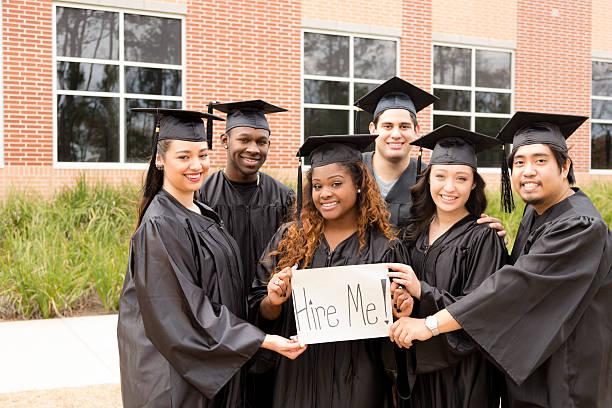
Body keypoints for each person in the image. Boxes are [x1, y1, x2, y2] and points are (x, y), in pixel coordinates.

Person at [389, 112, 612, 407]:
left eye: (540, 160)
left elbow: (514, 288)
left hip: (566, 377)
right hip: (534, 371)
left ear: (564, 166)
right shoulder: (539, 213)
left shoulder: (579, 226)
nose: (527, 171)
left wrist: (429, 324)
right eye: (519, 162)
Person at [117, 108, 306, 408]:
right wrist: (261, 340)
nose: (196, 165)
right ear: (160, 159)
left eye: (202, 155)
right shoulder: (160, 224)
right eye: (184, 156)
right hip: (177, 377)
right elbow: (183, 311)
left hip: (208, 368)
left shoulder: (200, 213)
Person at [248, 134, 411, 408]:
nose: (325, 193)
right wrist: (273, 301)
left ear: (359, 185)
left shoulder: (386, 249)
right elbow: (258, 308)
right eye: (317, 185)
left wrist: (400, 309)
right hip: (297, 377)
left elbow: (400, 328)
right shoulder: (290, 240)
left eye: (336, 184)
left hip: (360, 381)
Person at [386, 124, 507, 407]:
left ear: (474, 183)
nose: (449, 188)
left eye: (461, 178)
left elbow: (481, 308)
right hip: (417, 367)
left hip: (463, 374)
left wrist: (421, 290)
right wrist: (401, 302)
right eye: (440, 176)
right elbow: (400, 296)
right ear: (428, 180)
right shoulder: (411, 234)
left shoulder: (484, 237)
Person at [355, 76, 507, 236]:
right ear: (373, 129)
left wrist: (486, 235)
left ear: (416, 130)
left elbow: (457, 223)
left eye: (404, 126)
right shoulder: (353, 170)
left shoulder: (430, 178)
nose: (396, 134)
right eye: (387, 126)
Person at [199, 99, 295, 289]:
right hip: (220, 309)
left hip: (269, 308)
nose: (253, 149)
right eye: (244, 140)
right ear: (225, 141)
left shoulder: (284, 198)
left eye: (261, 142)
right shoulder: (202, 195)